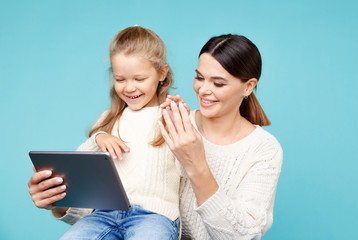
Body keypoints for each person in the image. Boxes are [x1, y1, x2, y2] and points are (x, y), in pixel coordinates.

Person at [27, 26, 181, 239]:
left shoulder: (173, 117)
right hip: (103, 215)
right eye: (120, 79)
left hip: (154, 216)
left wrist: (180, 118)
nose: (129, 88)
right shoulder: (108, 119)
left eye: (139, 79)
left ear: (162, 73)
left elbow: (190, 170)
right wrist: (99, 136)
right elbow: (81, 167)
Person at [158, 34, 283, 239]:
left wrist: (196, 164)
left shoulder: (264, 149)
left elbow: (241, 235)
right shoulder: (176, 123)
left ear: (248, 86)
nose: (203, 90)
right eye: (199, 77)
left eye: (218, 83)